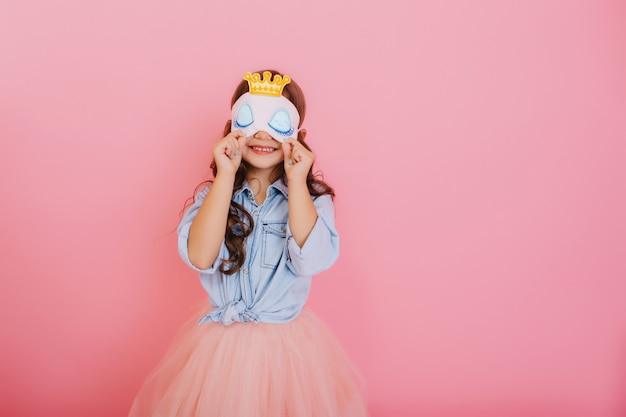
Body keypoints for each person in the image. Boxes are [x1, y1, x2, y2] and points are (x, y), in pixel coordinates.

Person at [129, 70, 368, 417]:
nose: (262, 133)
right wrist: (225, 175)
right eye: (249, 119)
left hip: (287, 353)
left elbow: (311, 261)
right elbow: (200, 255)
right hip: (220, 351)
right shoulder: (213, 196)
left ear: (298, 135)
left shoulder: (312, 201)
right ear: (232, 128)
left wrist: (298, 182)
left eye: (278, 122)